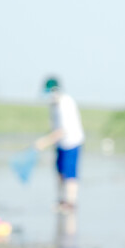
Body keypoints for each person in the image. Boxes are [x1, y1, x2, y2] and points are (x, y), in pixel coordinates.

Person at [35, 77, 84, 211]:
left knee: (70, 173)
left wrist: (44, 142)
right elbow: (54, 126)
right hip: (60, 143)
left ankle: (71, 202)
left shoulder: (66, 103)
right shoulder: (54, 105)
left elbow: (63, 130)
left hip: (72, 142)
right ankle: (62, 200)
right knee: (59, 172)